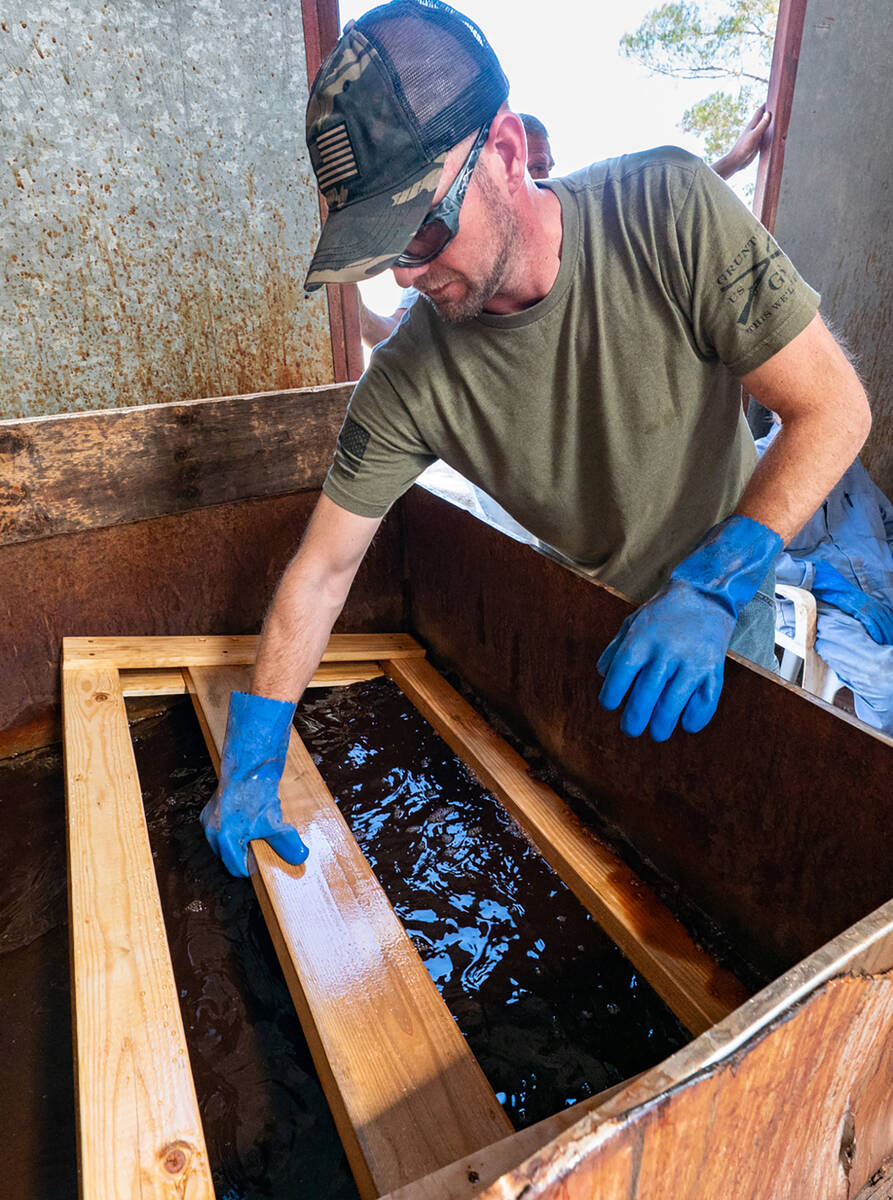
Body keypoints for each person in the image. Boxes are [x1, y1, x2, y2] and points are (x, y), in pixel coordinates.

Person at [201, 0, 870, 877]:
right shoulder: (408, 377)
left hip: (718, 602)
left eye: (422, 228)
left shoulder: (667, 211)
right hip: (581, 601)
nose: (405, 272)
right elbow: (323, 570)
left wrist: (712, 587)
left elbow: (833, 408)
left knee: (710, 849)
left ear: (508, 153)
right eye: (380, 251)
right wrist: (254, 756)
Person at [359, 105, 771, 349]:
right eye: (532, 168)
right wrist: (348, 306)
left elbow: (657, 203)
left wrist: (730, 163)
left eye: (544, 169)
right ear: (505, 163)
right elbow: (393, 335)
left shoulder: (587, 224)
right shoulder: (453, 262)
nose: (535, 183)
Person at [359, 112, 556, 347]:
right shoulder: (441, 272)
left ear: (509, 156)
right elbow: (402, 336)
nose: (404, 278)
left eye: (538, 167)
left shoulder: (609, 207)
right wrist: (361, 319)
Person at [757, 421, 893, 735]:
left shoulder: (848, 462)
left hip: (881, 583)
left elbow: (888, 525)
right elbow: (751, 553)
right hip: (824, 607)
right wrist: (833, 588)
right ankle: (860, 729)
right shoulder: (758, 463)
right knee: (886, 688)